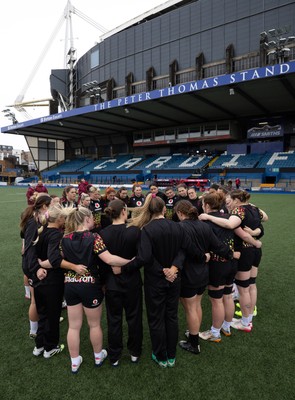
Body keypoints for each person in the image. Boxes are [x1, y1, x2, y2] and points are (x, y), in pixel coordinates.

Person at [129, 194, 205, 368]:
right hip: (173, 279)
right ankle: (171, 355)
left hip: (156, 281)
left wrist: (166, 270)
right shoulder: (177, 227)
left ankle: (161, 355)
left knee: (156, 318)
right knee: (171, 317)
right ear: (164, 209)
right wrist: (173, 269)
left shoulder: (147, 229)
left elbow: (145, 257)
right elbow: (187, 250)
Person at [61, 206, 133, 373]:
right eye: (93, 218)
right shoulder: (94, 237)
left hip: (70, 285)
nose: (95, 220)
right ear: (86, 219)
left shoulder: (64, 238)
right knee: (94, 325)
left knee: (73, 326)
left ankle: (74, 361)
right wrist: (131, 260)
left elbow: (58, 261)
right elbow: (109, 259)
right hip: (90, 286)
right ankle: (98, 355)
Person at [199, 190, 267, 332]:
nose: (228, 203)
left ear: (236, 200)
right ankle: (247, 319)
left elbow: (231, 225)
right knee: (250, 285)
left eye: (229, 200)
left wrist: (208, 217)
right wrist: (256, 235)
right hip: (254, 251)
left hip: (243, 251)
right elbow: (265, 218)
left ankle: (245, 322)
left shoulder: (238, 210)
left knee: (243, 289)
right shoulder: (253, 208)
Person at [173, 200, 233, 353]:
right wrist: (230, 254)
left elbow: (187, 250)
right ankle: (194, 334)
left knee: (191, 308)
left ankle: (194, 344)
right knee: (196, 305)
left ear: (180, 213)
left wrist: (202, 257)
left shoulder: (180, 227)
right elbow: (218, 245)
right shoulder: (204, 226)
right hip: (203, 273)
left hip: (189, 273)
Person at [99, 199, 143, 367]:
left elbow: (102, 264)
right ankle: (134, 352)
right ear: (124, 211)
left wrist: (103, 282)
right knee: (134, 318)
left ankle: (115, 355)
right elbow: (140, 258)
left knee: (114, 320)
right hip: (132, 281)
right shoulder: (134, 231)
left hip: (112, 283)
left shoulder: (103, 233)